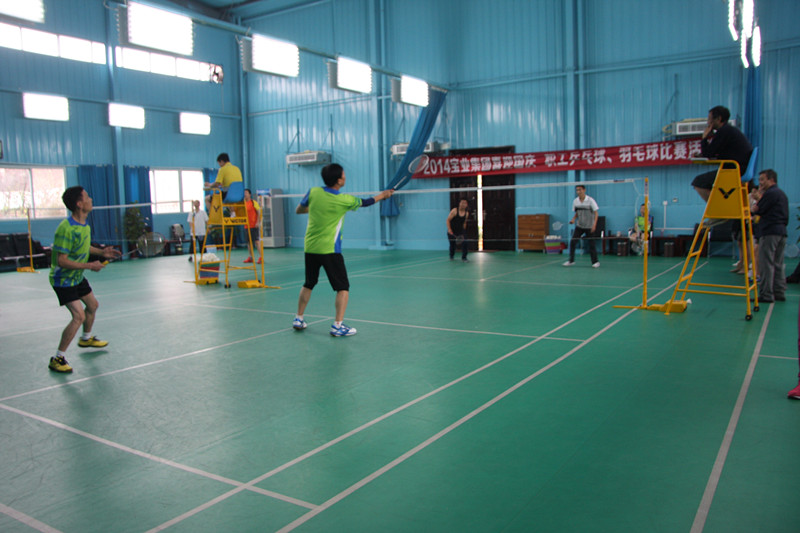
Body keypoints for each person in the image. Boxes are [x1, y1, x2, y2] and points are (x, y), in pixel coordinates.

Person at [293, 163, 394, 336]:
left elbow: (299, 210)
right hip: (330, 249)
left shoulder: (313, 192)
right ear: (339, 180)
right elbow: (367, 202)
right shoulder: (344, 200)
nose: (345, 177)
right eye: (344, 175)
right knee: (342, 288)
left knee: (309, 283)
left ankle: (298, 318)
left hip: (310, 247)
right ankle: (337, 326)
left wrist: (318, 208)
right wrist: (383, 195)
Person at [48, 186, 121, 373]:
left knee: (93, 305)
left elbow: (84, 247)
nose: (91, 199)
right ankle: (57, 358)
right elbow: (61, 261)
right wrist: (90, 266)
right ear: (79, 204)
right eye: (87, 197)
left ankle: (86, 338)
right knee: (79, 316)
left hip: (76, 276)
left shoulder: (84, 226)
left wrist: (102, 253)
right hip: (63, 279)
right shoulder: (66, 228)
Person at [691, 105, 753, 202]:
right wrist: (702, 154)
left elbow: (708, 153)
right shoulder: (729, 130)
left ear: (718, 119)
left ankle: (716, 207)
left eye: (709, 119)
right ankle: (720, 204)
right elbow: (714, 152)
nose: (708, 123)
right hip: (739, 168)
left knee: (698, 182)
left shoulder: (724, 131)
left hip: (734, 170)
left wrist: (704, 138)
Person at [752, 169, 788, 303]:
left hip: (770, 232)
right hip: (781, 232)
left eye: (762, 179)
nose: (760, 183)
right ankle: (779, 291)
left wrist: (757, 202)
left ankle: (766, 294)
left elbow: (757, 210)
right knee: (778, 263)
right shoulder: (781, 194)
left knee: (766, 263)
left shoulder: (770, 194)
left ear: (771, 180)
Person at [563, 184, 600, 268]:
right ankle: (571, 261)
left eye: (580, 190)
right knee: (573, 242)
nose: (578, 192)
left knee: (592, 244)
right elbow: (577, 212)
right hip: (580, 226)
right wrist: (573, 219)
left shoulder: (590, 200)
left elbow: (596, 213)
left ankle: (595, 262)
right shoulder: (575, 201)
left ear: (584, 190)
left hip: (589, 226)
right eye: (577, 190)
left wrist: (594, 225)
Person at [243, 188, 262, 264]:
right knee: (249, 243)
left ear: (250, 194)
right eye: (244, 193)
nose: (245, 194)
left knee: (257, 242)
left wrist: (258, 222)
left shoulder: (253, 202)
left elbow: (259, 212)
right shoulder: (243, 203)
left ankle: (261, 257)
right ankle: (250, 257)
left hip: (254, 225)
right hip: (246, 226)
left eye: (246, 193)